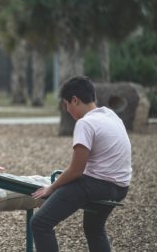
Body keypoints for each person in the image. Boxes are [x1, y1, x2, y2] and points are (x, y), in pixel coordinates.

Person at [31, 76, 132, 252]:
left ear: (75, 100)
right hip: (121, 187)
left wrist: (52, 187)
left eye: (66, 104)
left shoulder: (85, 123)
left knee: (40, 223)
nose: (67, 109)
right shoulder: (111, 115)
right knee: (94, 228)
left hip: (98, 185)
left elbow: (76, 171)